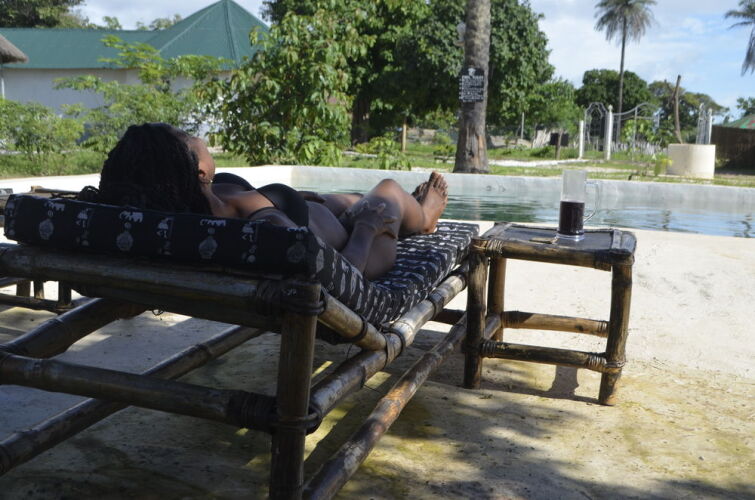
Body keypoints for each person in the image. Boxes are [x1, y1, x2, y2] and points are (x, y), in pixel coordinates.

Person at [79, 123, 448, 279]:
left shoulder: (187, 208)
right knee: (387, 192)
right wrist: (366, 228)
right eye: (189, 137)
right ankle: (423, 217)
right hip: (359, 251)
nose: (199, 138)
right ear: (199, 171)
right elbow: (338, 275)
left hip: (321, 218)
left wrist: (291, 200)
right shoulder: (263, 228)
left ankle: (402, 209)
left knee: (342, 199)